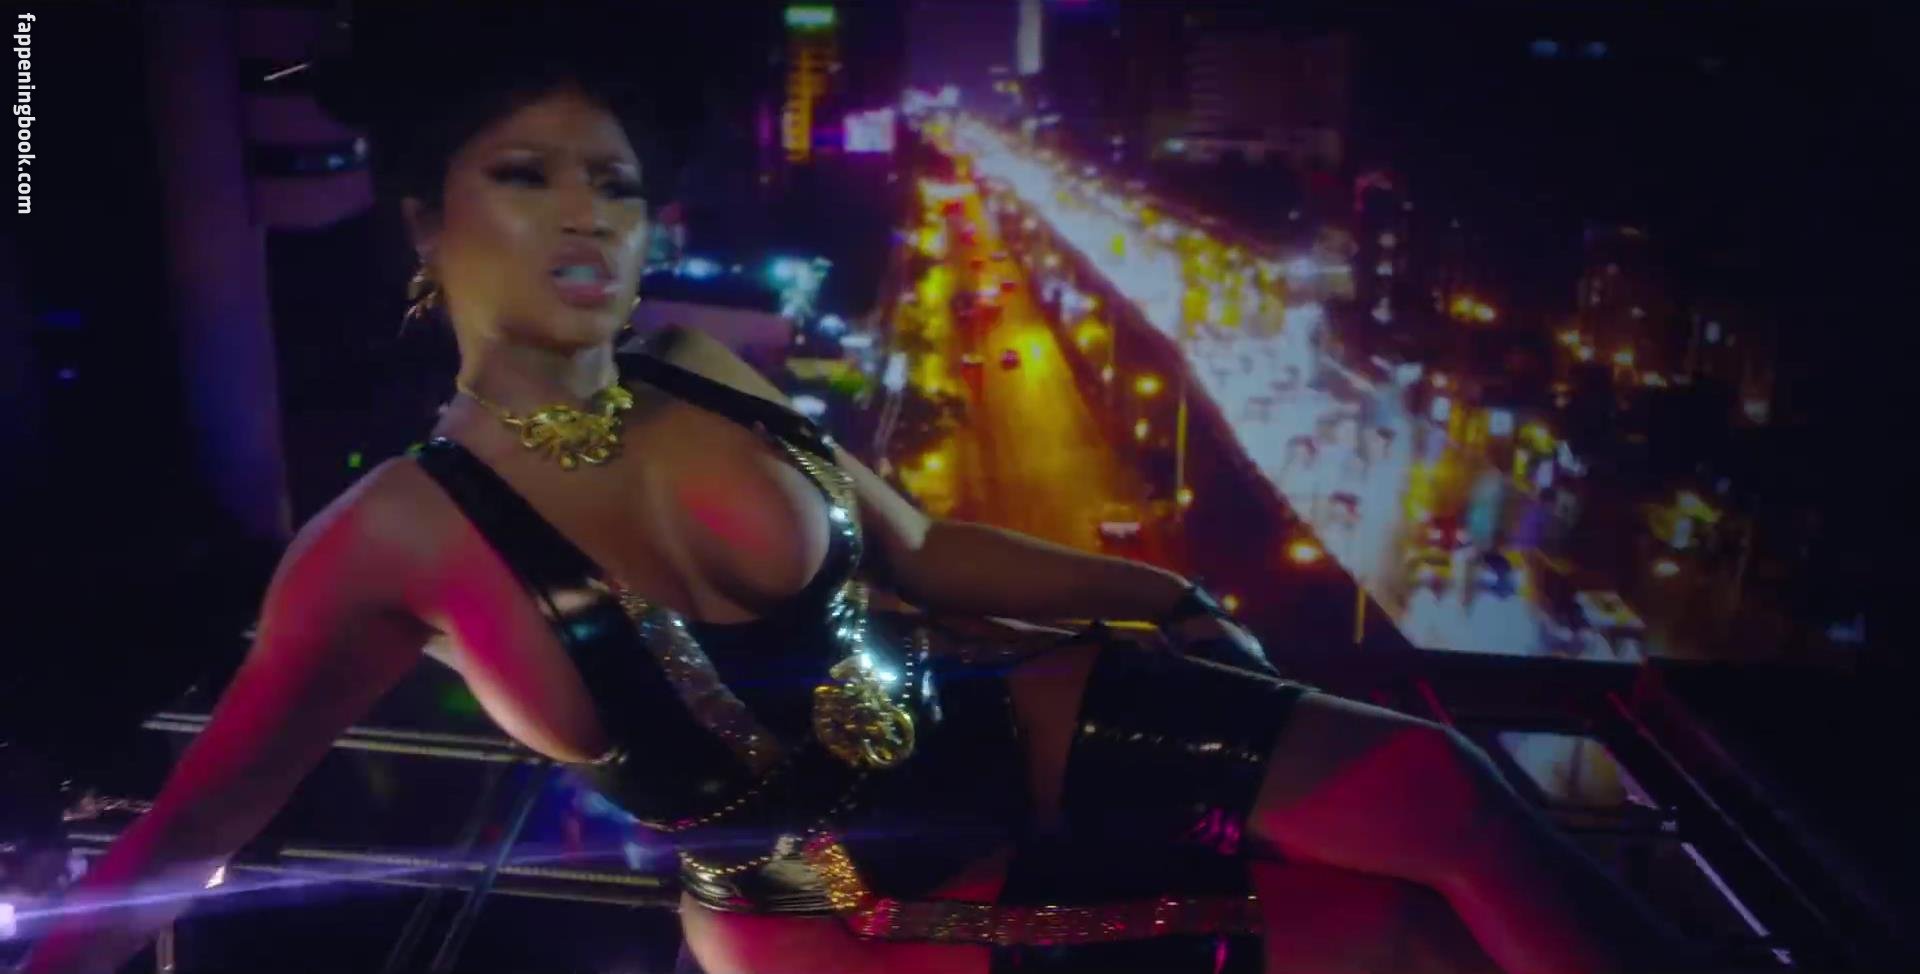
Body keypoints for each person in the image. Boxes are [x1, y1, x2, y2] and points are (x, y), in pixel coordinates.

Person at [20, 8, 1697, 973]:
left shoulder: (708, 368)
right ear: (422, 222)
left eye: (616, 180)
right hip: (824, 908)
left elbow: (928, 551)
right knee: (1382, 939)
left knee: (1439, 787)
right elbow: (196, 828)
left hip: (1003, 719)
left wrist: (1163, 594)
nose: (588, 212)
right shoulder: (383, 536)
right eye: (524, 175)